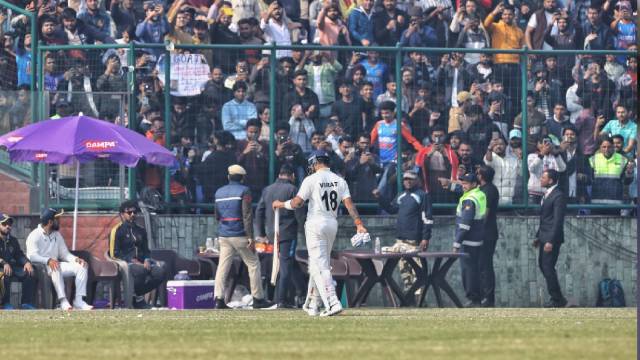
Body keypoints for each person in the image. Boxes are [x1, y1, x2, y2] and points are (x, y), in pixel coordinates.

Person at [273, 150, 368, 317]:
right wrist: (359, 224)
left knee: (320, 266)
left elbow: (297, 203)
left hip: (315, 223)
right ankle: (312, 302)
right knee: (317, 264)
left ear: (316, 162)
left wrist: (280, 204)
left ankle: (332, 302)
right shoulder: (339, 180)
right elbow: (349, 205)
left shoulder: (311, 179)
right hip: (332, 224)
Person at [213, 165, 273, 309]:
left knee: (223, 267)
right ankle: (258, 298)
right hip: (240, 234)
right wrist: (251, 237)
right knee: (253, 264)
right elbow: (247, 215)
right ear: (243, 178)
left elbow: (217, 215)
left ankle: (219, 299)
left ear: (228, 176)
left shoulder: (218, 192)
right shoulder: (244, 191)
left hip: (224, 234)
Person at [376, 170, 433, 302]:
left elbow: (428, 219)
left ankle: (420, 302)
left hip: (414, 242)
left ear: (417, 181)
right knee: (405, 273)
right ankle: (410, 301)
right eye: (405, 179)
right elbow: (391, 209)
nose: (407, 181)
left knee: (417, 273)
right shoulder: (401, 195)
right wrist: (380, 198)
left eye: (410, 179)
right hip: (400, 241)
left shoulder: (422, 196)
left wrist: (425, 238)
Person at [254, 165, 306, 309]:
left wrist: (262, 233)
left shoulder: (267, 189)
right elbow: (299, 212)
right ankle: (282, 300)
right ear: (292, 175)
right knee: (285, 266)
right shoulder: (292, 189)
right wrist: (305, 230)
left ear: (279, 174)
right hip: (287, 233)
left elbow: (259, 211)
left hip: (272, 234)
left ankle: (301, 292)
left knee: (286, 264)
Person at [26, 208, 93, 310]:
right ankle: (63, 301)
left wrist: (76, 259)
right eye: (58, 219)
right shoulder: (34, 235)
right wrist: (48, 260)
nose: (60, 221)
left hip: (55, 264)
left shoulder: (57, 235)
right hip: (42, 268)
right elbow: (32, 256)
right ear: (50, 222)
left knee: (81, 267)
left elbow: (65, 254)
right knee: (55, 266)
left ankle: (78, 301)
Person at [109, 200, 167, 309]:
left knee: (160, 272)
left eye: (135, 212)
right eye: (129, 213)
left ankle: (137, 296)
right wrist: (130, 260)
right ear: (122, 214)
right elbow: (113, 253)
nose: (132, 215)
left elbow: (146, 250)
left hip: (142, 263)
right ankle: (139, 300)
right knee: (140, 270)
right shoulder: (116, 230)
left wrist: (146, 259)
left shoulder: (141, 230)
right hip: (124, 264)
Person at [533, 169, 567, 308]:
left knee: (547, 267)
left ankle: (557, 299)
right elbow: (545, 219)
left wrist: (551, 241)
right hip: (544, 236)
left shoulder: (558, 196)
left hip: (551, 238)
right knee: (543, 265)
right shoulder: (547, 194)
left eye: (543, 177)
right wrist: (538, 236)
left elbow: (557, 221)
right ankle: (558, 298)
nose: (541, 179)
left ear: (551, 180)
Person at [452, 172, 486, 307]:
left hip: (468, 240)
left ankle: (473, 299)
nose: (463, 185)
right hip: (477, 239)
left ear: (474, 184)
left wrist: (456, 243)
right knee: (476, 269)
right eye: (463, 183)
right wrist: (450, 185)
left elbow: (465, 224)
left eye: (466, 183)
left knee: (468, 271)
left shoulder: (469, 200)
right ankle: (478, 298)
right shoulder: (479, 194)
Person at [0, 213, 35, 310]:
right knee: (5, 273)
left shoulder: (13, 240)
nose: (8, 226)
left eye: (9, 224)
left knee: (29, 272)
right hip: (2, 267)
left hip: (10, 266)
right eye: (4, 223)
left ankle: (26, 303)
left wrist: (26, 262)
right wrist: (3, 263)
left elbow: (19, 255)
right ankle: (6, 303)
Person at [476, 166, 499, 307]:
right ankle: (483, 296)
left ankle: (488, 298)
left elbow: (485, 213)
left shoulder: (489, 191)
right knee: (481, 266)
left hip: (486, 233)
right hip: (485, 232)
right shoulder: (485, 189)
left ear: (481, 176)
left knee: (485, 266)